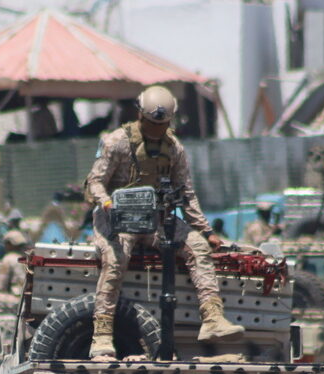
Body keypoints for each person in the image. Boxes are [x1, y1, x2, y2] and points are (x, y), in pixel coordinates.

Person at [85, 85, 244, 358]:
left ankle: (212, 318)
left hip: (156, 218)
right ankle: (101, 335)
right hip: (117, 217)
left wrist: (206, 232)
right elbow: (94, 183)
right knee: (115, 259)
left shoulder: (174, 149)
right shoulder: (115, 142)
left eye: (162, 124)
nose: (157, 130)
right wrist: (107, 202)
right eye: (151, 123)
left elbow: (186, 193)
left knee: (197, 247)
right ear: (140, 116)